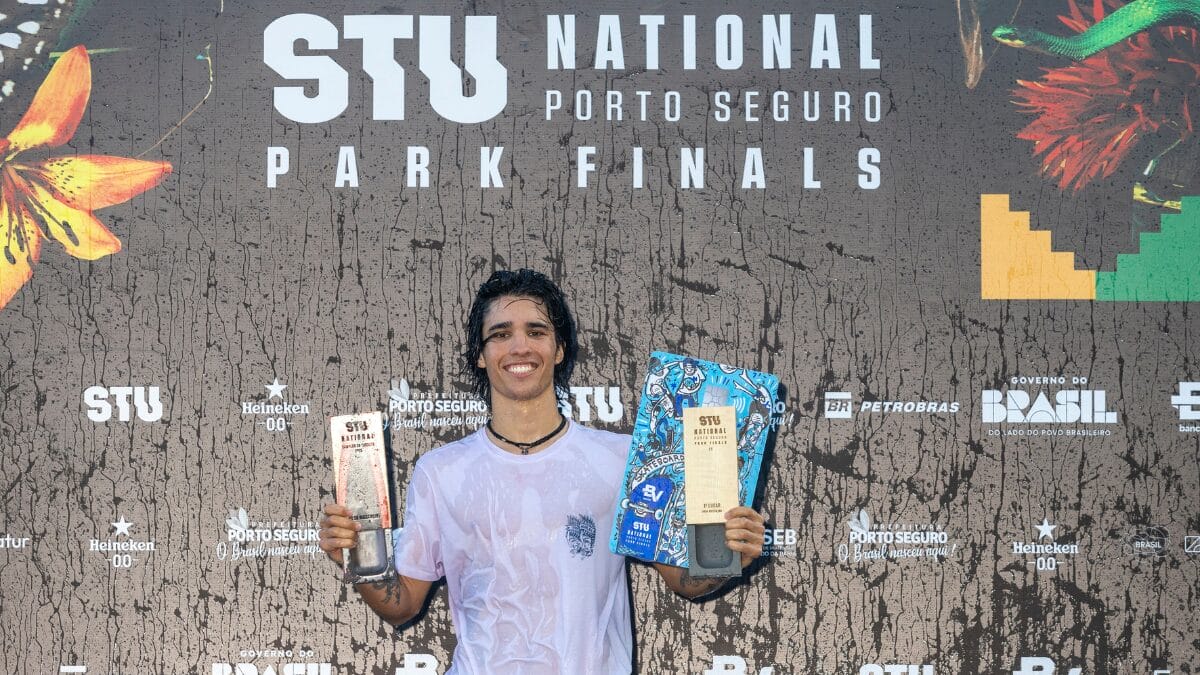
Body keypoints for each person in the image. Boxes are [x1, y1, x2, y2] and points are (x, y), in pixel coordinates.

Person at [319, 269, 766, 674]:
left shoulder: (620, 458)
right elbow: (402, 606)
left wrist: (728, 557)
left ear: (559, 349)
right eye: (500, 334)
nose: (519, 346)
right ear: (480, 354)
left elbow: (685, 581)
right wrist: (358, 559)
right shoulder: (441, 472)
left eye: (536, 331)